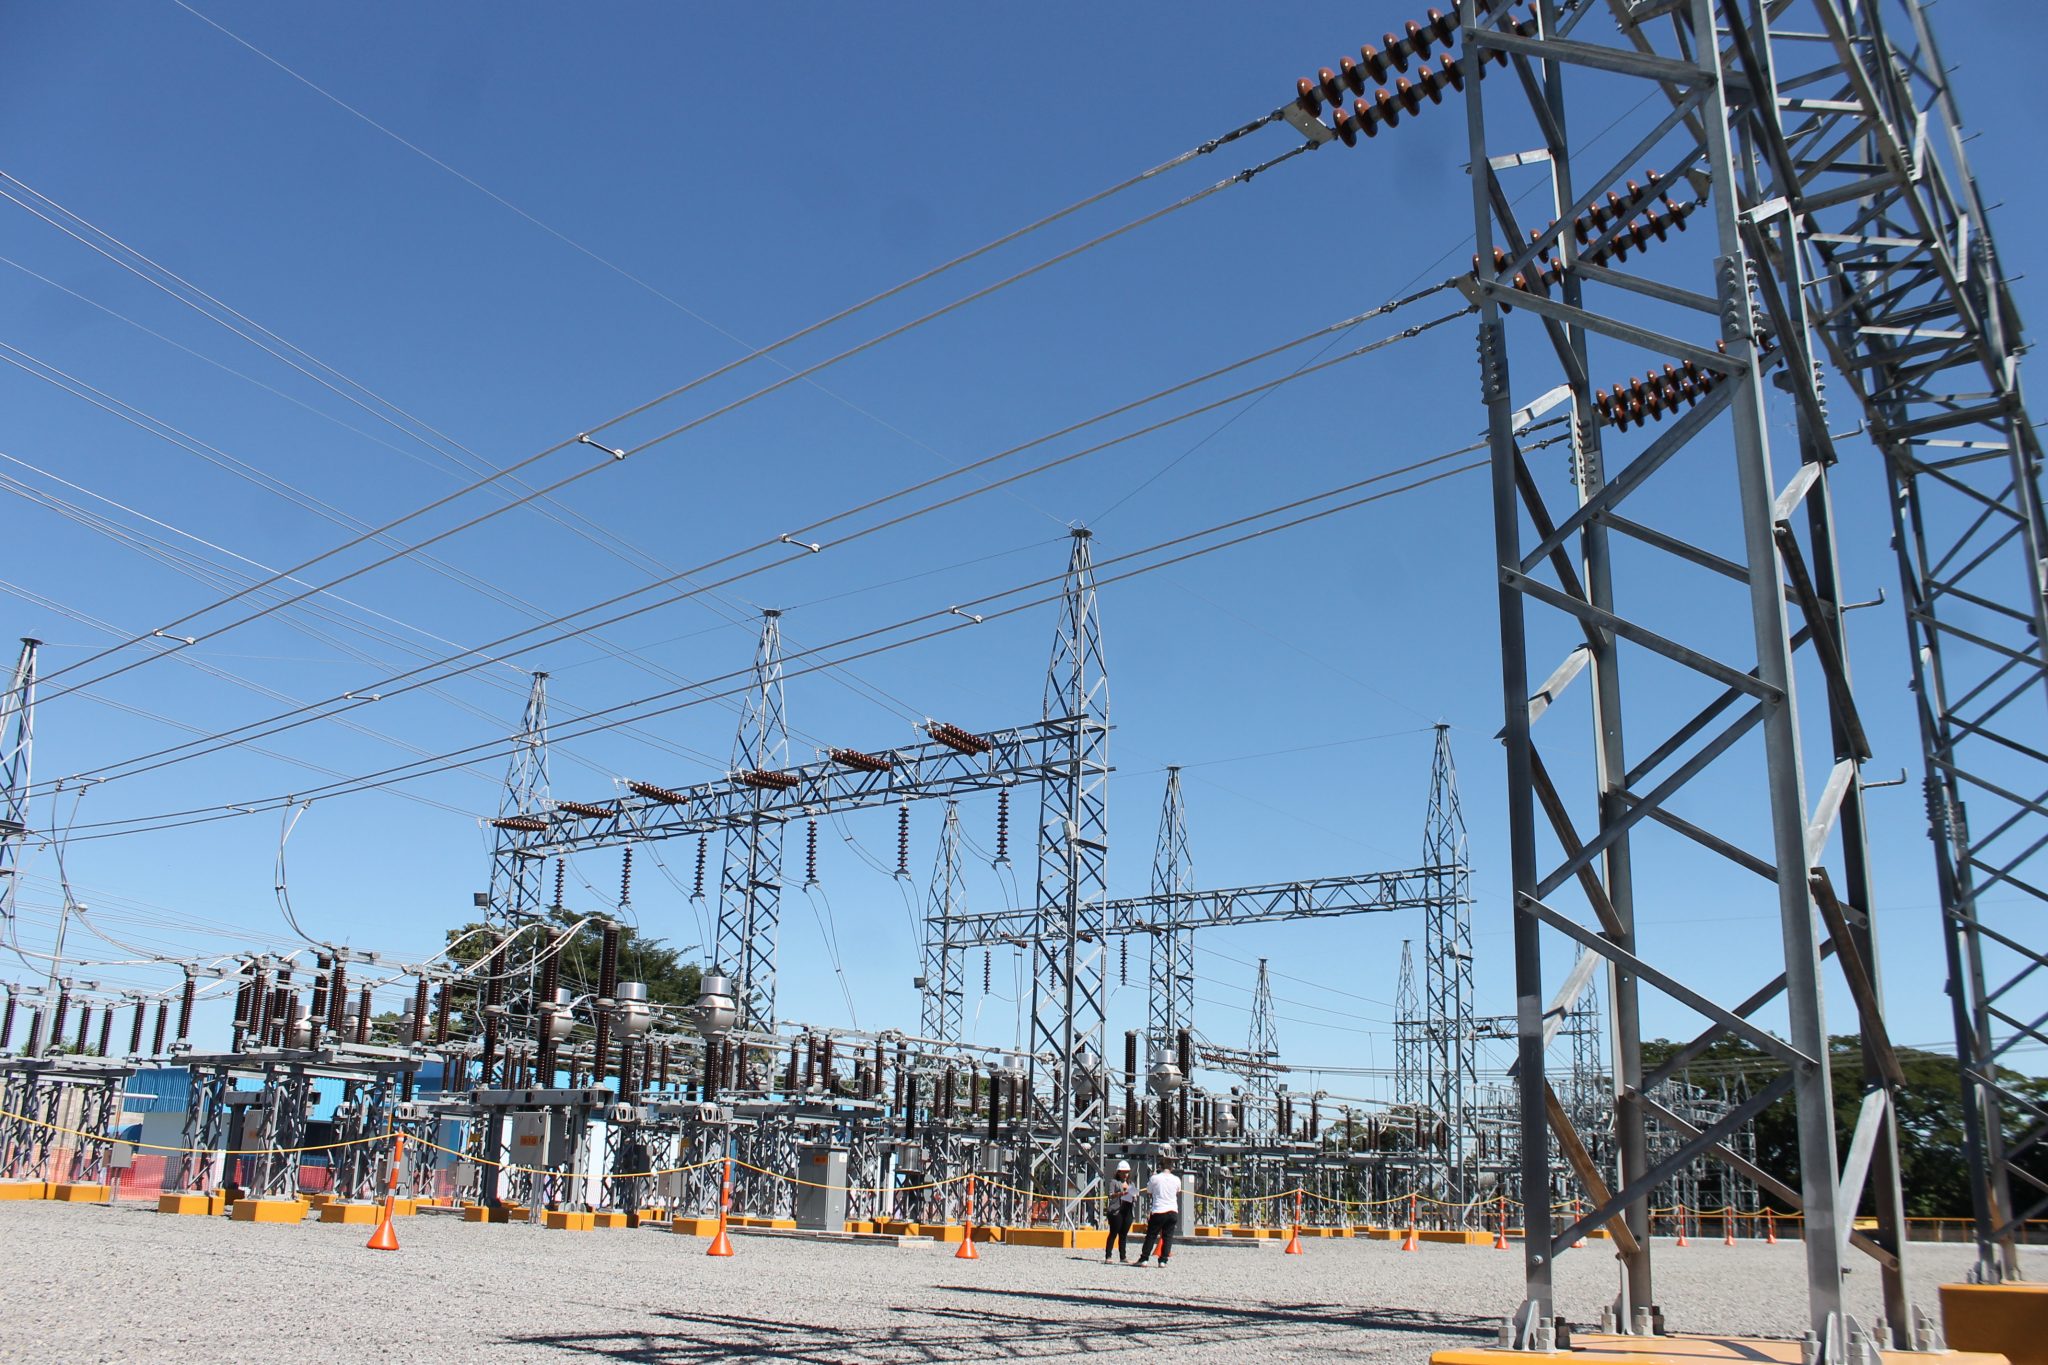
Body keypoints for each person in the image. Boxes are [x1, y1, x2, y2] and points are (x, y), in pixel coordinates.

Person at [1134, 1151, 1182, 1267]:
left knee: (1151, 1235)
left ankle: (1144, 1258)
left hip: (1159, 1210)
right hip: (1172, 1210)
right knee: (1167, 1236)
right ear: (1171, 1167)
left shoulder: (1155, 1178)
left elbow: (1149, 1191)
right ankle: (1163, 1260)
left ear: (1160, 1166)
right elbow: (1178, 1191)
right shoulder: (1176, 1179)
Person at [1104, 1161, 1138, 1262]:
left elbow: (1134, 1196)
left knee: (1123, 1234)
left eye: (1127, 1172)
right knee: (1113, 1233)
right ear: (1118, 1172)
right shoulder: (1114, 1182)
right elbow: (1110, 1195)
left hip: (1127, 1211)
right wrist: (1120, 1194)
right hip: (1116, 1211)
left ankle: (1123, 1256)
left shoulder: (1131, 1184)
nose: (1125, 1174)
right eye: (1123, 1172)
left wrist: (1134, 1196)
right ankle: (1108, 1256)